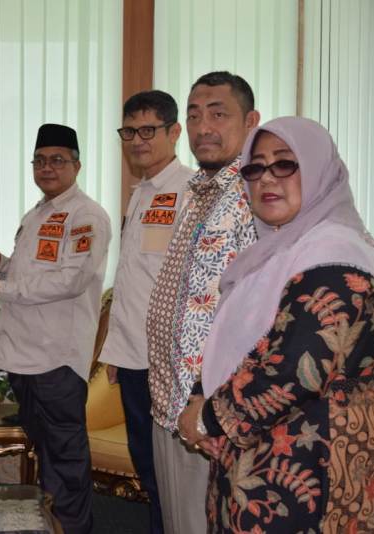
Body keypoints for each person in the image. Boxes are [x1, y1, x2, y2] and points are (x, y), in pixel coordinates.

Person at [177, 116, 374, 532]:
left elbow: (296, 369)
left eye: (284, 163)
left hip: (311, 471)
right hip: (258, 458)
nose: (266, 178)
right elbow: (240, 343)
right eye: (255, 167)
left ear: (319, 170)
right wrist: (201, 397)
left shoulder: (335, 257)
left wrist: (209, 419)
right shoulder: (275, 253)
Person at [0, 123, 111, 534]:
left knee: (65, 461)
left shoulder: (85, 216)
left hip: (56, 359)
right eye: (40, 161)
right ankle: (52, 526)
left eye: (57, 160)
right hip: (25, 357)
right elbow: (33, 274)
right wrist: (0, 264)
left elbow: (70, 281)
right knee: (48, 456)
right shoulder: (37, 213)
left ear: (77, 166)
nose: (47, 168)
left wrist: (1, 287)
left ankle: (72, 529)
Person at [145, 71, 260, 534]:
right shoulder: (200, 192)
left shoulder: (257, 195)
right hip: (169, 403)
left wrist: (207, 401)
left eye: (218, 114)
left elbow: (255, 316)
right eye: (194, 116)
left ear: (250, 121)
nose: (203, 127)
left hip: (211, 412)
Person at [98, 90, 192, 534]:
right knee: (148, 468)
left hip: (168, 360)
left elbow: (191, 283)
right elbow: (133, 280)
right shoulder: (141, 193)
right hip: (135, 356)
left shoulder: (191, 191)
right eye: (130, 131)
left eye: (148, 130)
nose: (137, 141)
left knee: (171, 477)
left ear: (174, 132)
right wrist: (117, 351)